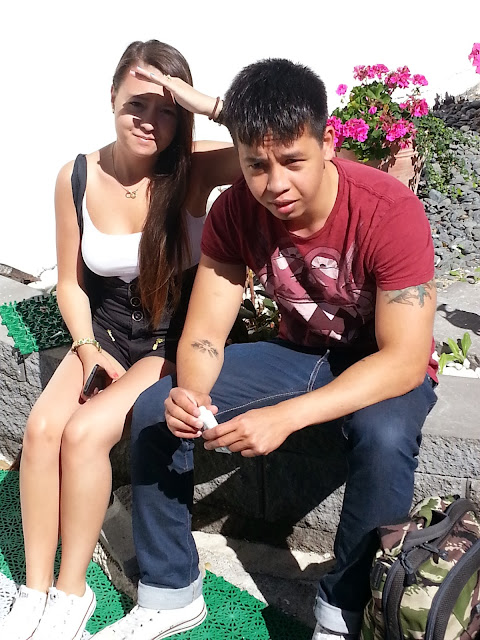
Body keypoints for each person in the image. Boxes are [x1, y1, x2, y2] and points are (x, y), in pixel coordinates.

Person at [93, 58, 439, 640]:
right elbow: (205, 331)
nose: (275, 184)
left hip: (381, 363)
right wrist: (193, 395)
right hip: (298, 354)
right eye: (256, 165)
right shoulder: (235, 210)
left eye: (293, 161)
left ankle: (341, 617)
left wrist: (285, 418)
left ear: (327, 144)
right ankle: (170, 592)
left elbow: (404, 358)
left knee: (383, 437)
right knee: (157, 408)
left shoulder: (388, 209)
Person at [0, 39, 239, 640]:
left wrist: (208, 106)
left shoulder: (195, 168)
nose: (150, 121)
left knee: (83, 435)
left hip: (166, 340)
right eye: (137, 104)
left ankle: (71, 593)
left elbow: (285, 145)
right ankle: (34, 591)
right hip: (103, 331)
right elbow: (70, 283)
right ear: (112, 98)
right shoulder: (77, 175)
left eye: (167, 110)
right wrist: (85, 347)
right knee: (41, 430)